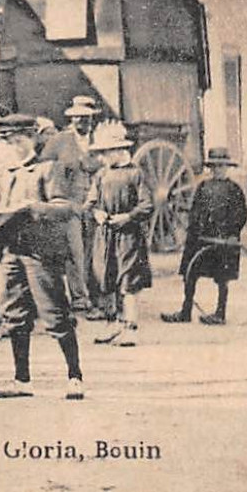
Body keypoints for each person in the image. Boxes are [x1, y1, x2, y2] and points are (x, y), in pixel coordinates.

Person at [0, 114, 85, 401]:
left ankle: (75, 377)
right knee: (15, 315)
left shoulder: (47, 170)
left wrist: (36, 207)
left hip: (41, 252)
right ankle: (22, 380)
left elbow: (66, 208)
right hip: (11, 251)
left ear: (31, 139)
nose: (13, 147)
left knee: (54, 313)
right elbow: (0, 209)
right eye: (8, 142)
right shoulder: (5, 174)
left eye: (17, 141)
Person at [162, 148, 247, 326]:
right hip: (201, 239)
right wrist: (194, 231)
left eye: (221, 166)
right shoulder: (203, 187)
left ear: (227, 167)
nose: (218, 170)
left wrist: (232, 235)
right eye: (214, 167)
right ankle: (185, 311)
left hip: (223, 240)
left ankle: (220, 313)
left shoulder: (234, 190)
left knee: (222, 277)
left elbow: (240, 215)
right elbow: (195, 211)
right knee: (190, 273)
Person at [86, 123, 152, 347]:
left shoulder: (136, 174)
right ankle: (112, 321)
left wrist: (127, 217)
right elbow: (90, 202)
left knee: (128, 280)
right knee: (105, 276)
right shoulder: (101, 175)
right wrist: (97, 214)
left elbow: (146, 205)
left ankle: (131, 328)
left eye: (105, 153)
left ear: (117, 151)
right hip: (105, 236)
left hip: (128, 237)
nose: (102, 158)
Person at [42, 96, 101, 315]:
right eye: (77, 117)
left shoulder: (99, 139)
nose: (81, 121)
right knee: (75, 252)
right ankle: (80, 299)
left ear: (92, 118)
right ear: (71, 118)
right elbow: (44, 167)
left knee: (96, 251)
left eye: (85, 118)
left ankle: (99, 297)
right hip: (71, 205)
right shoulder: (60, 140)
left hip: (97, 204)